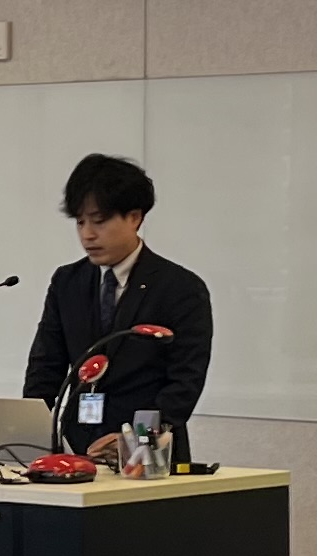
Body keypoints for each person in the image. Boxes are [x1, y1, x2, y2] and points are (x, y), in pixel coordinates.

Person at [17, 151, 212, 463]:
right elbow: (45, 367)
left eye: (100, 221)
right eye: (80, 222)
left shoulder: (180, 288)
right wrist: (29, 436)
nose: (87, 234)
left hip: (149, 457)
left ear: (134, 218)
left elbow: (185, 382)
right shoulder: (67, 282)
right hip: (78, 448)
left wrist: (135, 438)